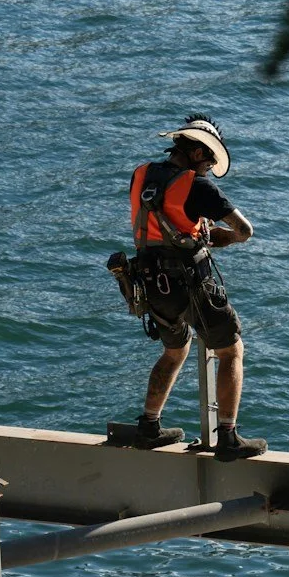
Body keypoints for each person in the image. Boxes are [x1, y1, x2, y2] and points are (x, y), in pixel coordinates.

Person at [112, 114, 264, 459]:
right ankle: (227, 436)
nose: (210, 166)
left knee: (174, 350)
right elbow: (245, 231)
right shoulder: (197, 186)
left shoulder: (141, 175)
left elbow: (158, 218)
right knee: (231, 351)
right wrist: (219, 239)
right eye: (209, 158)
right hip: (190, 282)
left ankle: (149, 427)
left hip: (149, 283)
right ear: (197, 153)